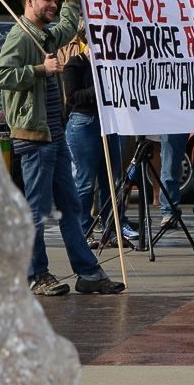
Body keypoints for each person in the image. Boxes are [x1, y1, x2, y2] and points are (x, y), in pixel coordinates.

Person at [0, 0, 124, 296]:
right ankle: (37, 275)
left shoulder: (45, 34)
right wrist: (40, 69)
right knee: (35, 210)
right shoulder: (21, 36)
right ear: (29, 1)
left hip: (55, 136)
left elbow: (66, 25)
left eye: (53, 0)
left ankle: (89, 274)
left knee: (70, 207)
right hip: (34, 139)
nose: (51, 6)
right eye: (46, 0)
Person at [60, 38, 130, 244]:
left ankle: (112, 229)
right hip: (85, 123)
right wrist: (99, 90)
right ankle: (83, 230)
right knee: (86, 181)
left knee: (111, 180)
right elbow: (72, 96)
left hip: (111, 123)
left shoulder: (114, 64)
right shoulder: (75, 64)